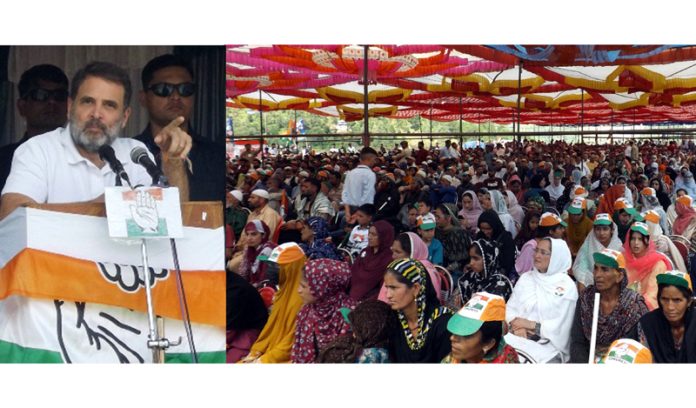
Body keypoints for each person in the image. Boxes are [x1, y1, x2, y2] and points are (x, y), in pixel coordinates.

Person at [0, 61, 191, 221]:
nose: (96, 114)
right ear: (69, 106)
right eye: (88, 101)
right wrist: (100, 208)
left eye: (109, 105)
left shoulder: (136, 153)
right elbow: (12, 217)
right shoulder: (38, 150)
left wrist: (172, 162)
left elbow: (175, 219)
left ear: (125, 117)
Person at [135, 54, 224, 202]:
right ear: (143, 98)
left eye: (185, 89)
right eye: (163, 89)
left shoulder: (217, 157)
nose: (176, 96)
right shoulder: (128, 154)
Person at [505, 238, 578, 363]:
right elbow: (509, 308)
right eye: (537, 250)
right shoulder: (526, 278)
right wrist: (516, 325)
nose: (537, 255)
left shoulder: (566, 286)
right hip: (516, 334)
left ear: (556, 257)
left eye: (543, 252)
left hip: (548, 345)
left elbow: (561, 328)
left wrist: (529, 325)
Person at [569, 249, 649, 363]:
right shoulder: (586, 300)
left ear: (619, 276)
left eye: (605, 270)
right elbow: (577, 341)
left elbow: (635, 346)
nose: (597, 275)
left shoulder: (633, 306)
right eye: (595, 268)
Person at [0, 64, 68, 193]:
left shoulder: (84, 158)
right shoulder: (3, 160)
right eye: (41, 95)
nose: (52, 102)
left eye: (59, 95)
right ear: (22, 106)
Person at [240, 243, 307, 363]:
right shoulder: (282, 292)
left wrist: (264, 360)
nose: (270, 270)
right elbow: (270, 332)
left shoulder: (303, 299)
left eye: (276, 266)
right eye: (270, 265)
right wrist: (257, 351)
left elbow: (290, 344)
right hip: (271, 351)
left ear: (290, 269)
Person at [384, 258, 453, 363]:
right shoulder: (393, 319)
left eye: (393, 288)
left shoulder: (443, 323)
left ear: (416, 288)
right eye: (387, 288)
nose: (388, 295)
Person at [291, 259, 357, 363]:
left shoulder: (349, 314)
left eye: (303, 286)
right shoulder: (306, 312)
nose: (298, 290)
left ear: (323, 287)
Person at [443, 292, 519, 364]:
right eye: (458, 329)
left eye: (466, 335)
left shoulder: (507, 361)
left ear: (488, 344)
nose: (452, 338)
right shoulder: (461, 355)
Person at [637, 271, 695, 363]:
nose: (670, 307)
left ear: (689, 302)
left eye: (677, 300)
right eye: (664, 299)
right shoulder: (648, 324)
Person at [317, 299, 395, 363]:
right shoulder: (388, 354)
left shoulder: (347, 353)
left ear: (366, 329)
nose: (353, 331)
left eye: (355, 326)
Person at [447, 239, 513, 311]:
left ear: (488, 260)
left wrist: (462, 308)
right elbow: (450, 306)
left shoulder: (500, 283)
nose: (471, 263)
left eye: (476, 258)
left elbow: (488, 313)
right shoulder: (469, 277)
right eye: (470, 258)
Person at [380, 232, 442, 304]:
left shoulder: (426, 272)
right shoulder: (399, 268)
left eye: (398, 252)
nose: (393, 256)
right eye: (393, 251)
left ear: (412, 253)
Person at [228, 189, 282, 272]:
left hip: (262, 253)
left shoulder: (270, 214)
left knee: (232, 266)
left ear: (262, 200)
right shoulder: (252, 214)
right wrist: (237, 248)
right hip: (247, 249)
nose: (249, 200)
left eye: (252, 197)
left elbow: (265, 237)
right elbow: (244, 235)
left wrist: (245, 251)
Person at [624, 222, 671, 310]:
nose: (636, 243)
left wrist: (633, 307)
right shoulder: (623, 260)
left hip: (645, 309)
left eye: (640, 239)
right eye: (633, 239)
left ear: (648, 241)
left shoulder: (658, 263)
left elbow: (652, 295)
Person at [572, 213, 624, 291]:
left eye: (605, 229)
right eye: (598, 229)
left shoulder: (618, 246)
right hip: (590, 284)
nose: (601, 233)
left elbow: (621, 271)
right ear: (594, 230)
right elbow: (581, 270)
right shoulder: (588, 246)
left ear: (612, 230)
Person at [227, 271, 268, 363]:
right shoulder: (226, 282)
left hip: (248, 335)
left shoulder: (235, 291)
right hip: (234, 331)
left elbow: (228, 331)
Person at [349, 220, 394, 302]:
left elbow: (383, 288)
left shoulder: (389, 259)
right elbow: (352, 273)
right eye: (369, 233)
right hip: (351, 295)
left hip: (368, 302)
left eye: (374, 235)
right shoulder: (365, 252)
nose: (369, 237)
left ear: (384, 237)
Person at [476, 209, 517, 281]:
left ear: (495, 226)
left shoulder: (506, 239)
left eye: (488, 229)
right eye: (482, 228)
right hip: (480, 271)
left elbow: (508, 263)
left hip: (499, 274)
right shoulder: (480, 236)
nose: (485, 232)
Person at [435, 204, 471, 281]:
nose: (435, 219)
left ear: (448, 218)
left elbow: (462, 260)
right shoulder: (437, 232)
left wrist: (447, 269)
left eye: (438, 217)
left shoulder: (458, 234)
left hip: (457, 272)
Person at [341, 147, 377, 222]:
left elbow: (345, 194)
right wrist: (357, 215)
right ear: (370, 159)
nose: (375, 162)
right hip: (363, 213)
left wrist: (347, 213)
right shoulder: (370, 174)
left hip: (350, 210)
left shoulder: (350, 173)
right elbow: (368, 198)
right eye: (374, 159)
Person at [237, 220, 277, 286]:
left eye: (253, 234)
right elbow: (244, 273)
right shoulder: (250, 249)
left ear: (263, 235)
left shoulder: (267, 251)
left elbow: (264, 277)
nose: (249, 238)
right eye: (247, 234)